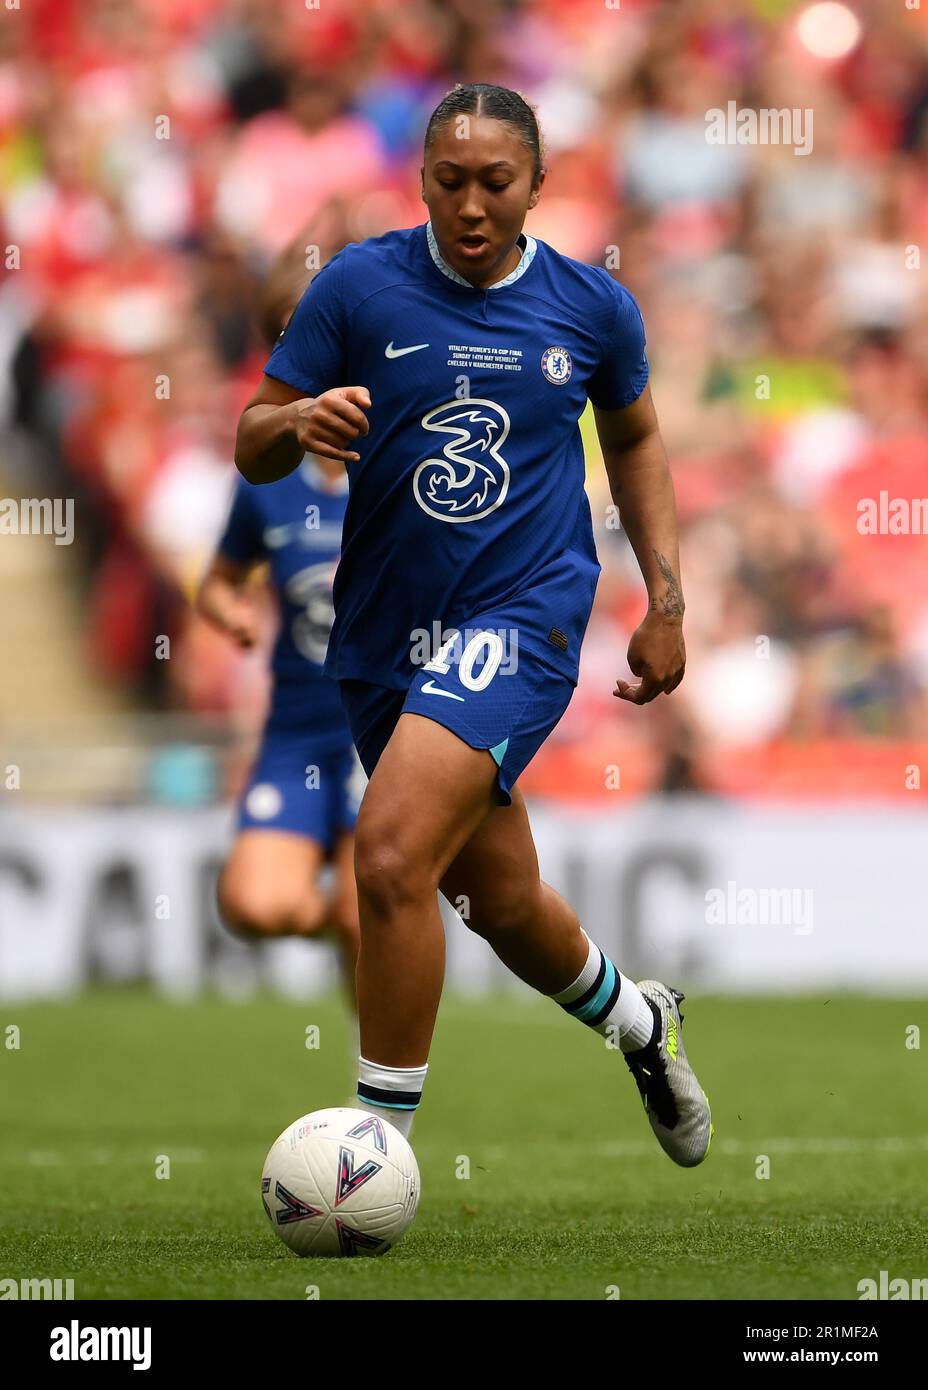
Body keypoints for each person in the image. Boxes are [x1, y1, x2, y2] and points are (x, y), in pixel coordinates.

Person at [234, 83, 712, 1166]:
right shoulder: (356, 287)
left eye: (496, 181)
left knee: (390, 852)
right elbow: (251, 437)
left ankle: (373, 1151)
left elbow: (635, 440)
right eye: (449, 181)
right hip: (380, 632)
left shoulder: (592, 308)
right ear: (422, 183)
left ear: (538, 185)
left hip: (525, 611)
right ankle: (642, 1023)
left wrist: (666, 597)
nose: (472, 203)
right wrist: (296, 419)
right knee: (494, 898)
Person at [198, 247, 362, 1010]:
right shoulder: (265, 483)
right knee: (252, 905)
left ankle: (386, 1113)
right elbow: (220, 581)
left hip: (384, 727)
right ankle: (358, 928)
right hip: (296, 726)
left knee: (374, 910)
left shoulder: (403, 464)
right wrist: (228, 611)